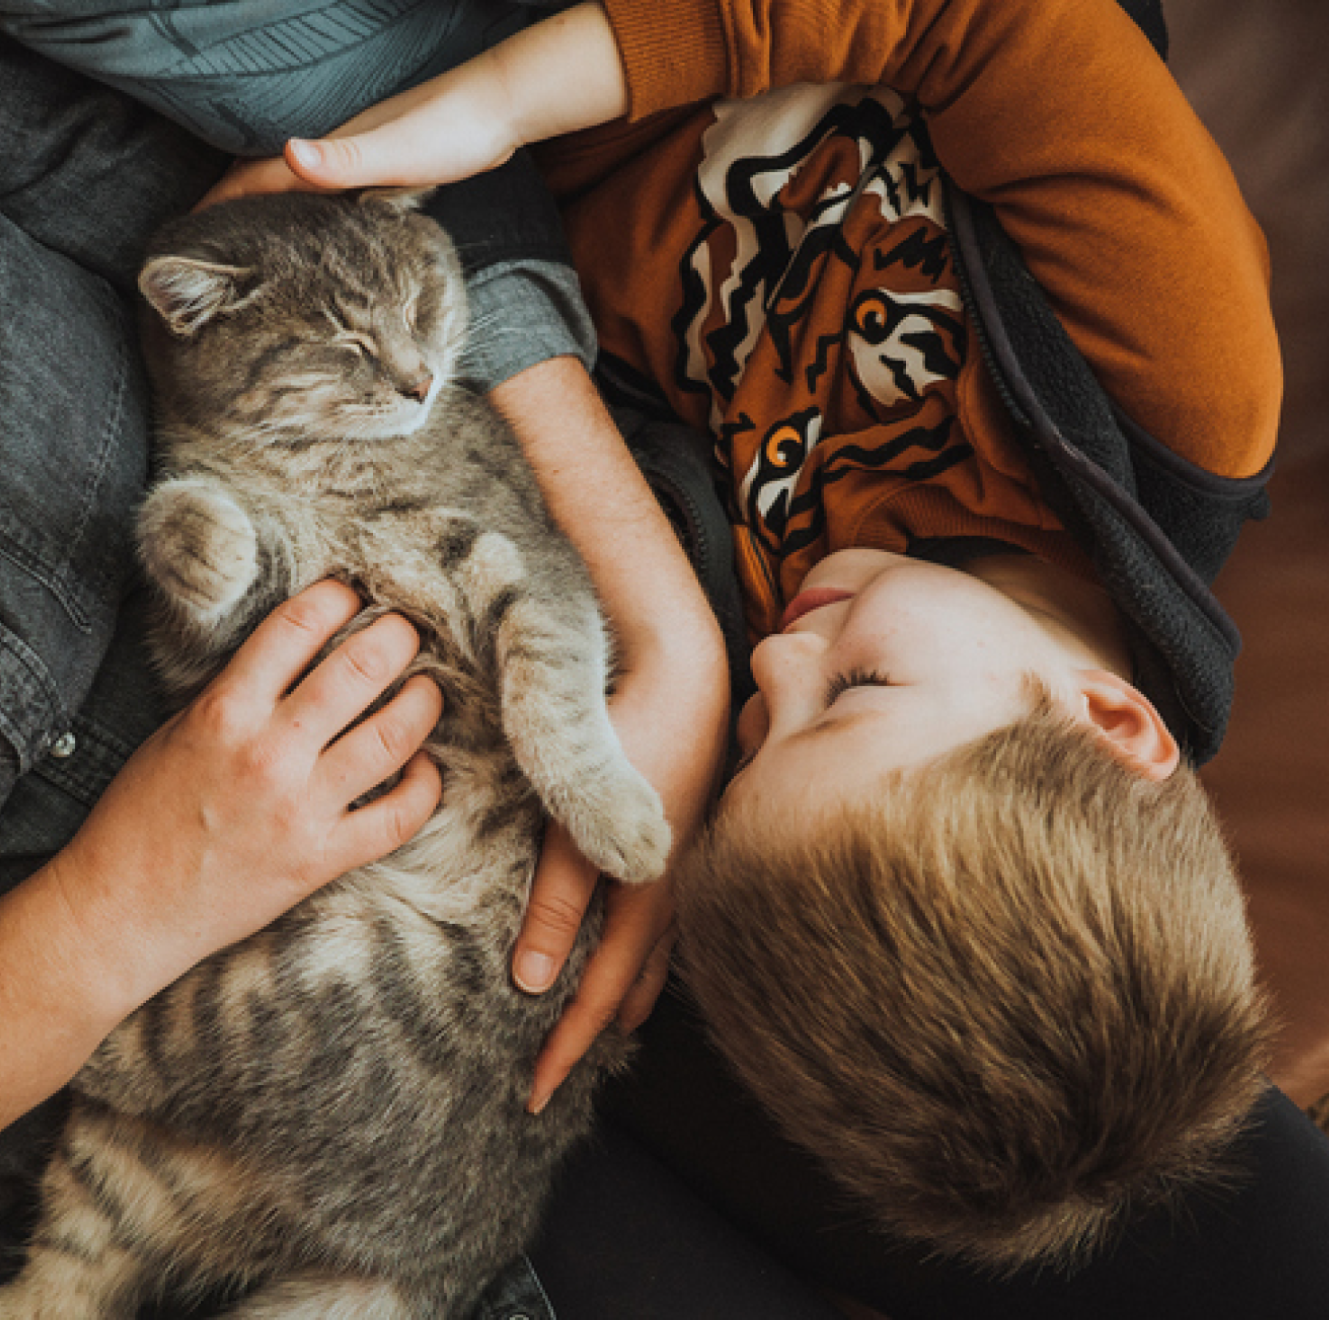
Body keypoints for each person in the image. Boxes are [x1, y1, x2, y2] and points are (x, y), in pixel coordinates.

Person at [0, 2, 728, 1315]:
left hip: (533, 915)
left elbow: (363, 143)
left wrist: (662, 627)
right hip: (146, 1166)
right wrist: (112, 923)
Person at [195, 0, 1329, 1314]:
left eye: (753, 743)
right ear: (1111, 723)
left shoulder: (778, 628)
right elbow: (979, 21)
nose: (779, 666)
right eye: (854, 695)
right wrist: (501, 99)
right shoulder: (1182, 381)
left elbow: (488, 302)